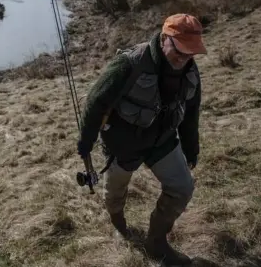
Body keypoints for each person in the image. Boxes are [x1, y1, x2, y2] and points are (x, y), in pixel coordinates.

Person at [77, 14, 207, 265]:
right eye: (180, 51)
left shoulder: (190, 71)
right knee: (114, 194)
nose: (184, 59)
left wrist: (191, 150)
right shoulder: (128, 65)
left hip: (163, 141)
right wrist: (85, 142)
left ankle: (156, 242)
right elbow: (95, 103)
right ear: (164, 39)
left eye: (191, 54)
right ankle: (119, 224)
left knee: (182, 188)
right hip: (123, 145)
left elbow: (191, 112)